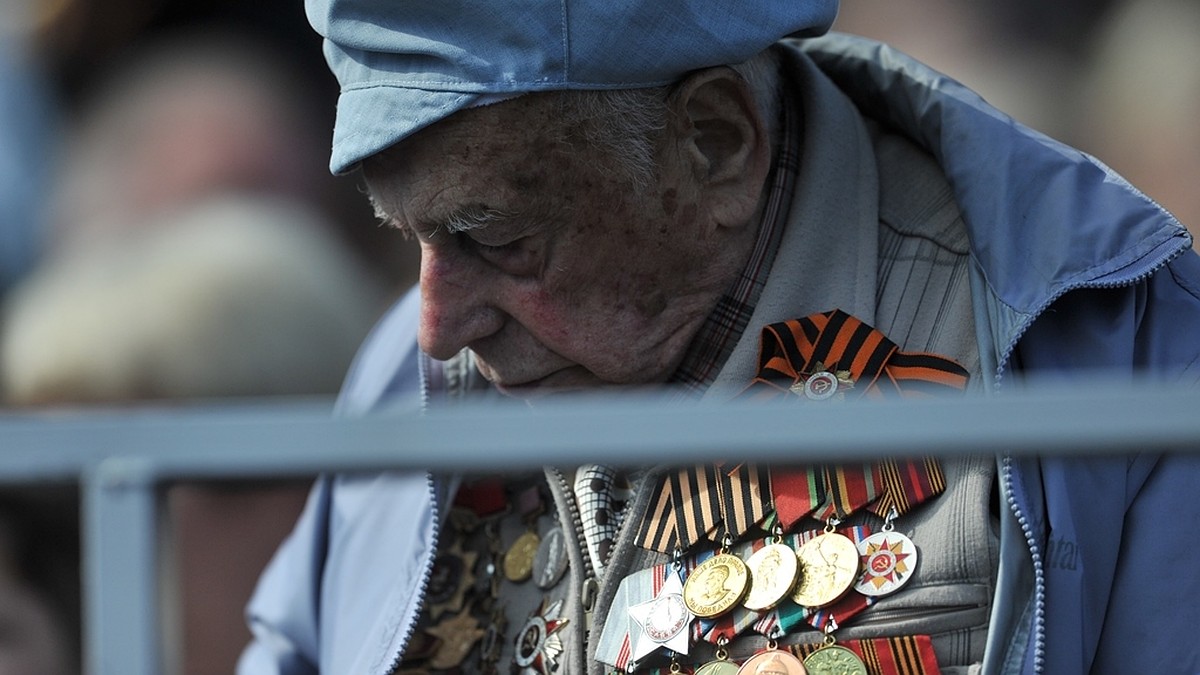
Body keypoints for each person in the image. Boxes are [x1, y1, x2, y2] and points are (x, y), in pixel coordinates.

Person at [239, 1, 1200, 674]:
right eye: (407, 235)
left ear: (718, 143)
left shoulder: (1114, 345)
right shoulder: (402, 375)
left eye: (495, 237)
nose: (436, 325)